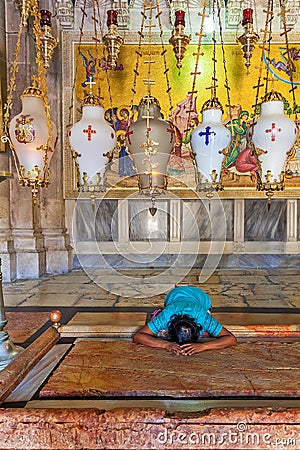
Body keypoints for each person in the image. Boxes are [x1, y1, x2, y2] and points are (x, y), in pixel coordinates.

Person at [133, 286, 237, 356]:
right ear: (169, 327)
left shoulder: (203, 318)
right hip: (174, 295)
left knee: (206, 333)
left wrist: (204, 346)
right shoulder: (166, 316)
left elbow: (231, 339)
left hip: (200, 297)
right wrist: (165, 344)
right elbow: (138, 336)